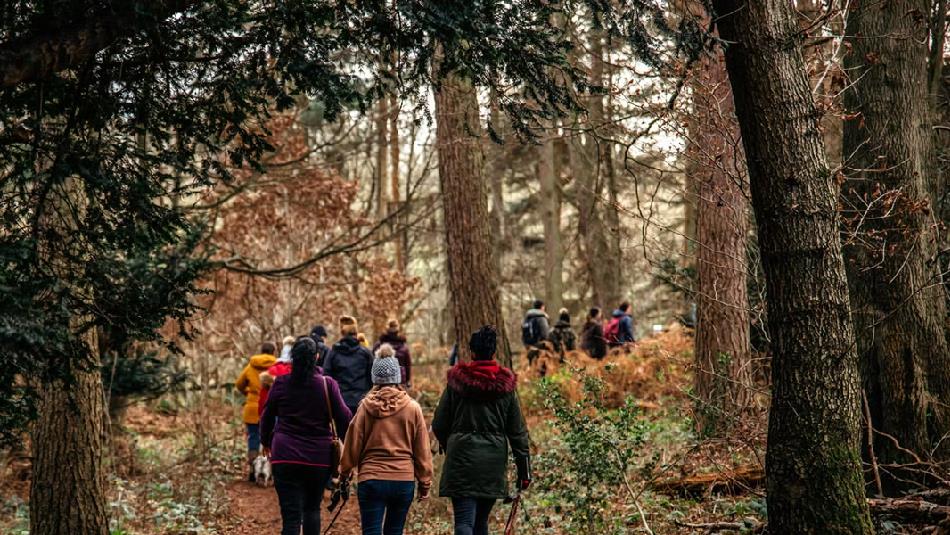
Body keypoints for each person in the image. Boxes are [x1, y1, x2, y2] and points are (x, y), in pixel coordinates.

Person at [432, 326, 531, 535]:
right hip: (492, 464)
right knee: (480, 523)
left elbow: (439, 423)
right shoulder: (506, 388)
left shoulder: (456, 384)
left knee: (464, 521)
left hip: (461, 460)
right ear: (494, 353)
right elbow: (518, 432)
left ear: (472, 353)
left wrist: (450, 444)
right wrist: (525, 472)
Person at [261, 337, 352, 535]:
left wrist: (266, 442)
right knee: (312, 509)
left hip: (284, 456)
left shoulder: (281, 383)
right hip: (318, 458)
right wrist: (348, 449)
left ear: (293, 357)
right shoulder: (328, 385)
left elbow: (267, 416)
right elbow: (345, 417)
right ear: (317, 357)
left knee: (291, 517)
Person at [340, 344, 433, 535]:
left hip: (371, 479)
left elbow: (352, 444)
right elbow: (422, 450)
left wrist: (345, 472)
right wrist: (425, 483)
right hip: (403, 480)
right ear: (397, 377)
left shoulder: (364, 407)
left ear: (375, 378)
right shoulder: (413, 408)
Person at [235, 341, 277, 482]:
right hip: (271, 408)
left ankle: (253, 470)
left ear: (261, 351)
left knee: (253, 437)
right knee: (272, 438)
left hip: (252, 408)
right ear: (273, 352)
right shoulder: (276, 366)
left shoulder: (251, 366)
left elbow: (239, 384)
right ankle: (271, 470)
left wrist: (250, 393)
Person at [323, 315, 375, 415]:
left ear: (341, 332)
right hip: (362, 403)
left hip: (340, 402)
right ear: (356, 332)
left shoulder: (333, 353)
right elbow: (373, 378)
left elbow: (327, 377)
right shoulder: (365, 353)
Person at [258, 336, 296, 419]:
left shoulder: (272, 370)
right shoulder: (300, 371)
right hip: (294, 416)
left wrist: (262, 415)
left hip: (275, 414)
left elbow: (264, 396)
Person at [373, 319, 412, 386]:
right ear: (398, 329)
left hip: (382, 382)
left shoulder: (379, 345)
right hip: (400, 381)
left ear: (387, 328)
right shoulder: (404, 347)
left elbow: (372, 362)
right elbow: (408, 365)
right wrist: (408, 380)